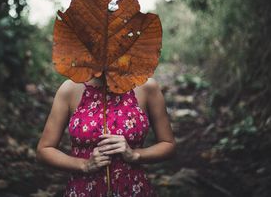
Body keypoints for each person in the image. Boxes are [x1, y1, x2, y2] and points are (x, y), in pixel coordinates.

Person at [36, 76, 175, 196]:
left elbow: (168, 144)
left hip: (133, 189)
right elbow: (44, 150)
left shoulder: (146, 86)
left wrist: (135, 155)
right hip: (83, 190)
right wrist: (83, 165)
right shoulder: (70, 89)